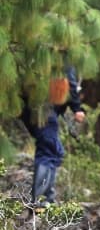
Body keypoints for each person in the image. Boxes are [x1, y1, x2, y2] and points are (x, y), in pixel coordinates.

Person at [20, 66, 85, 204]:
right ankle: (41, 201)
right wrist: (77, 108)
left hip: (31, 108)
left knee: (55, 151)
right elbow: (69, 81)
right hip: (45, 109)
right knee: (48, 152)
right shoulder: (61, 52)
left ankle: (47, 197)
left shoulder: (36, 53)